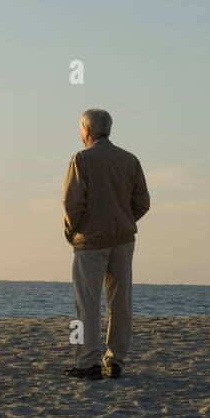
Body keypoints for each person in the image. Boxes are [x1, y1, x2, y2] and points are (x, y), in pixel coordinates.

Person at [63, 109, 150, 379]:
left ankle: (86, 361)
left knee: (86, 303)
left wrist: (71, 230)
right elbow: (142, 202)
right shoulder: (129, 160)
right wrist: (124, 219)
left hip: (90, 240)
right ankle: (115, 361)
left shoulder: (81, 159)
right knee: (120, 301)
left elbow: (72, 202)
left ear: (86, 130)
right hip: (123, 239)